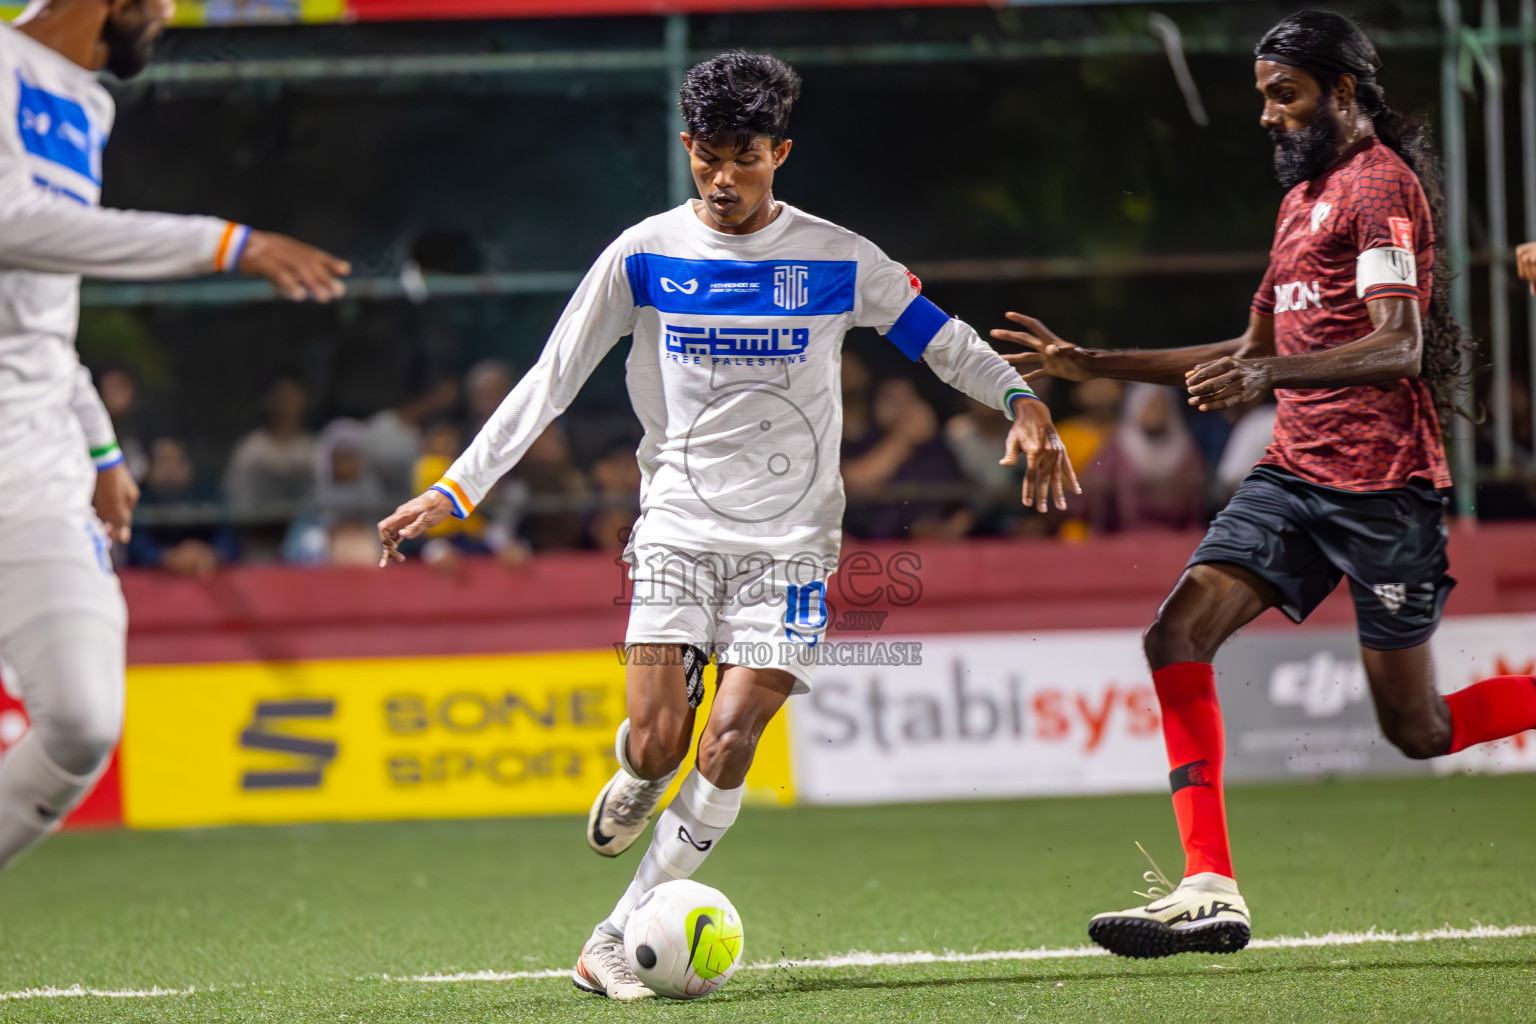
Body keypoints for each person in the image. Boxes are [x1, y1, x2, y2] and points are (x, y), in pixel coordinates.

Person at [377, 51, 1076, 1000]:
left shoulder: (837, 258)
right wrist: (455, 492)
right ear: (686, 148)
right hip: (676, 529)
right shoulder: (644, 254)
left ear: (779, 151)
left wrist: (1019, 397)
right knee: (661, 743)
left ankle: (615, 934)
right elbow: (550, 378)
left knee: (733, 736)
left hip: (793, 545)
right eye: (707, 155)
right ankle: (634, 769)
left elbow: (940, 340)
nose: (723, 177)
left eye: (744, 156)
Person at [995, 11, 1532, 960]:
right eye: (1261, 97)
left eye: (1284, 94)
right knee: (1175, 633)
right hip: (1292, 475)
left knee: (1418, 727)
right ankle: (1209, 885)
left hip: (1384, 491)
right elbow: (1251, 351)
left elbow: (1399, 343)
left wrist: (1267, 379)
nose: (1267, 115)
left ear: (1344, 92)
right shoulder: (1300, 204)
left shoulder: (1381, 188)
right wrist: (1090, 362)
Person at [0, 0, 348, 870]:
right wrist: (222, 243)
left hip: (32, 462)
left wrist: (100, 447)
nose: (164, 16)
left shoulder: (85, 105)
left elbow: (39, 313)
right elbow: (12, 228)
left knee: (83, 721)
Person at [1084, 384, 1205, 534]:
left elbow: (1195, 504)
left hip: (1174, 539)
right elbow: (1095, 491)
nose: (1156, 412)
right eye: (1151, 405)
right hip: (1124, 538)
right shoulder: (1118, 447)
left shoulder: (1185, 450)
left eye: (1161, 406)